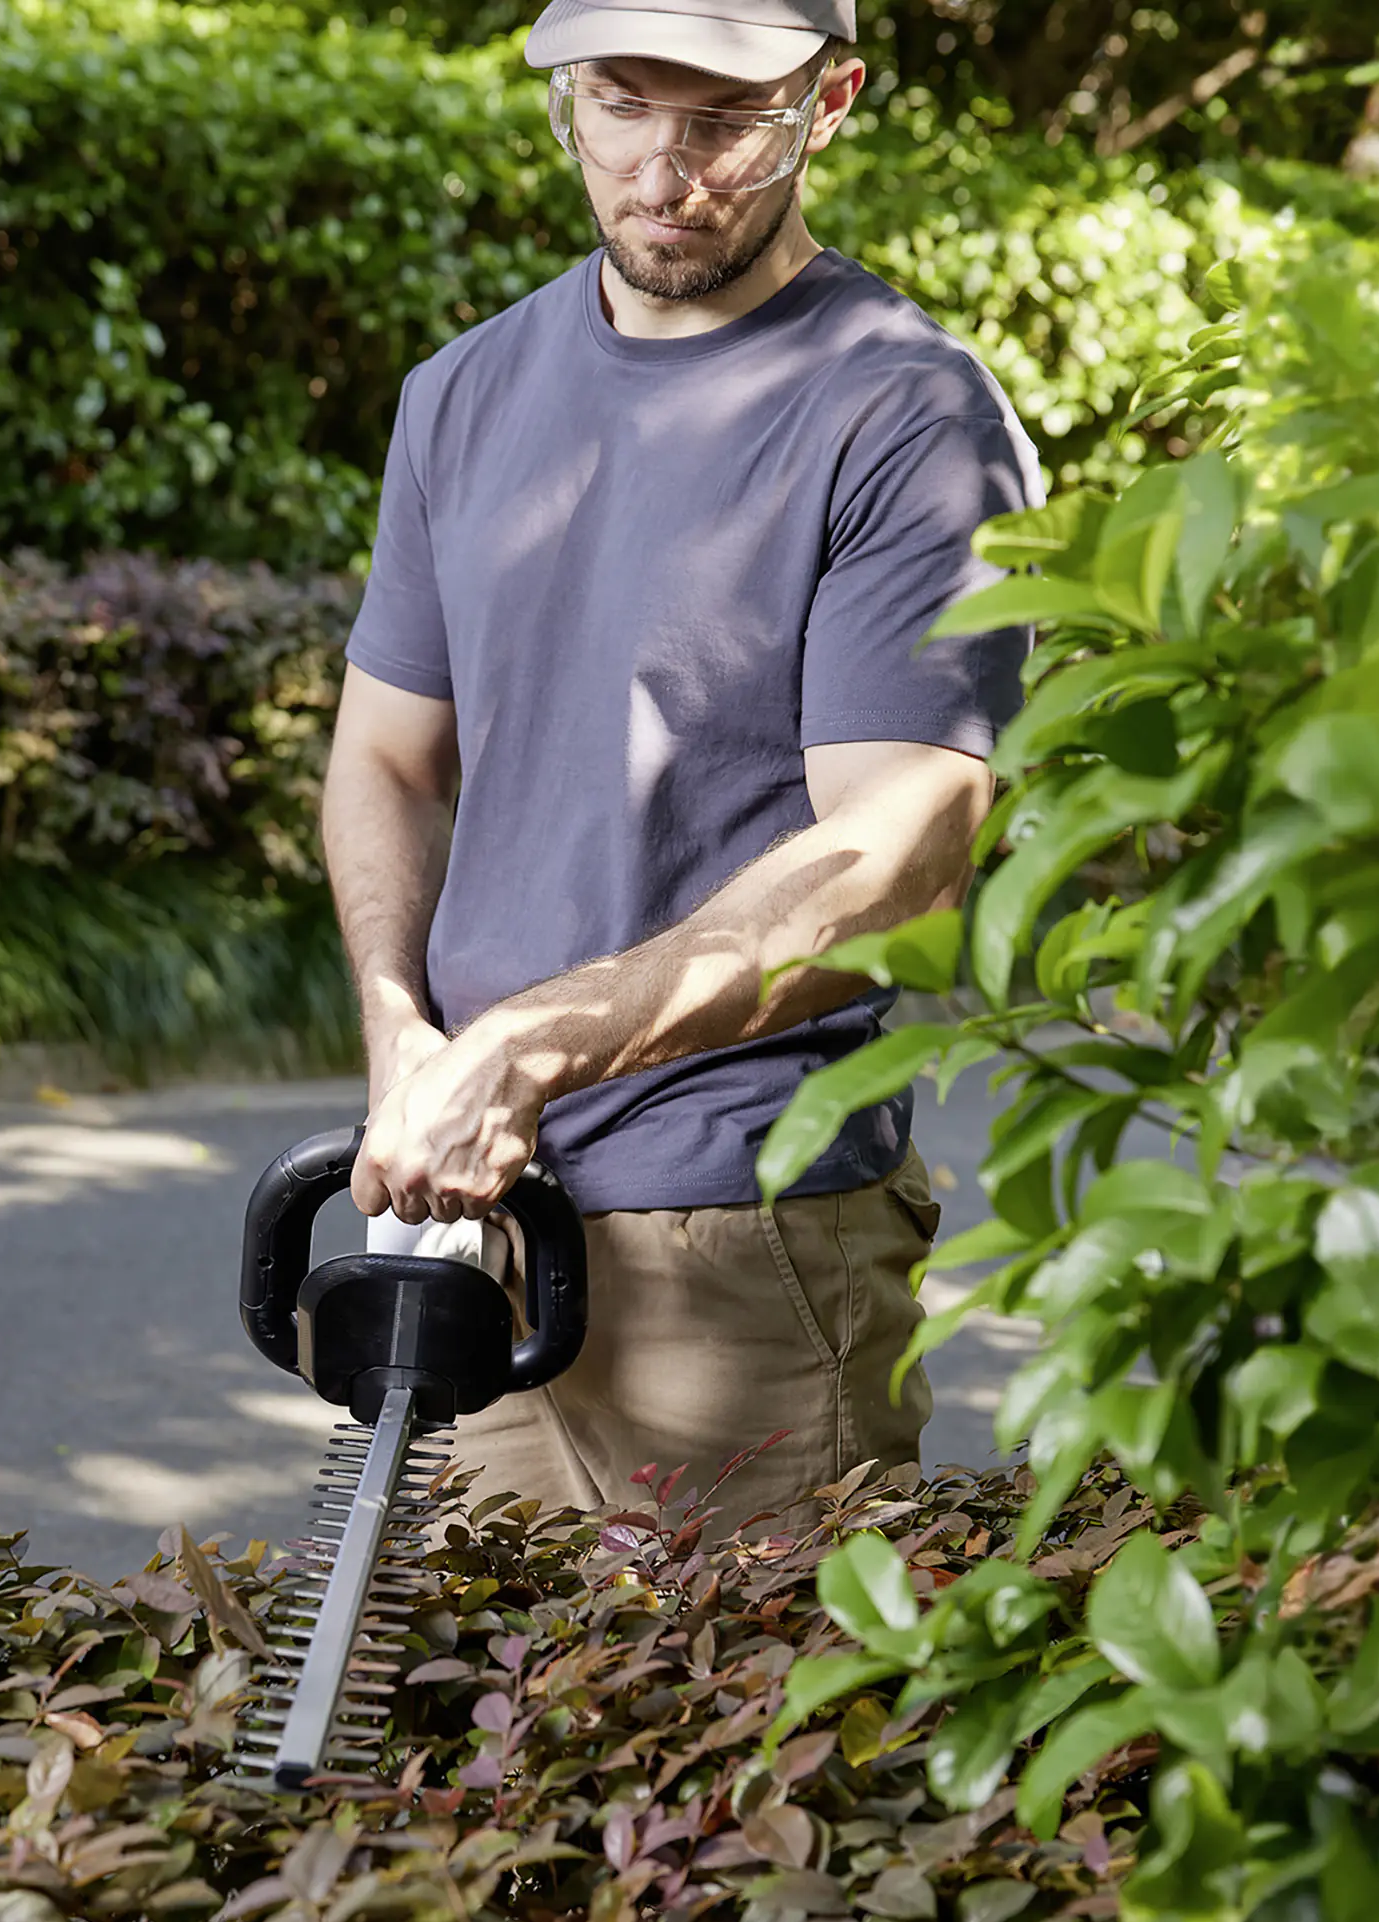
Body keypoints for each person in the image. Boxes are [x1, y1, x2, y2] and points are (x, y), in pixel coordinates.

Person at [325, 0, 1040, 1533]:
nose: (662, 168)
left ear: (828, 103)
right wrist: (401, 1030)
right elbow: (383, 756)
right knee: (469, 1745)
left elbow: (895, 858)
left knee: (750, 1759)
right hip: (474, 1228)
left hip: (743, 1237)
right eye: (616, 104)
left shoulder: (903, 415)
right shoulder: (461, 394)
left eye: (721, 119)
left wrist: (524, 1046)